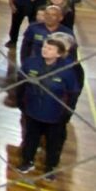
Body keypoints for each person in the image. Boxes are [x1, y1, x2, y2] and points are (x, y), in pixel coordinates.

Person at [17, 36, 82, 181]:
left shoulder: (67, 70)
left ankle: (50, 167)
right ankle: (27, 161)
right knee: (30, 138)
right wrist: (21, 102)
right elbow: (21, 82)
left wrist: (67, 112)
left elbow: (73, 93)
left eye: (50, 48)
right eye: (44, 47)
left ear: (59, 53)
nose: (45, 50)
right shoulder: (31, 63)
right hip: (33, 110)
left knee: (54, 143)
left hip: (55, 115)